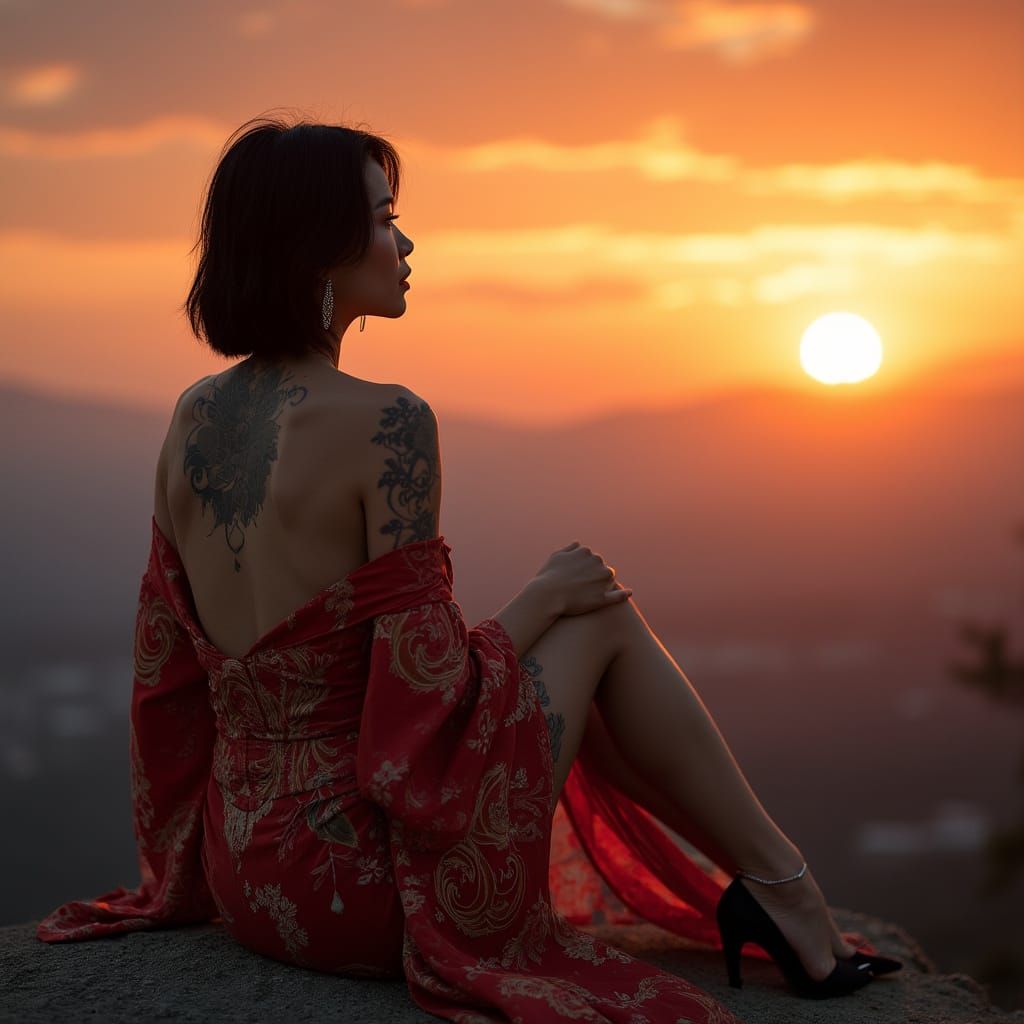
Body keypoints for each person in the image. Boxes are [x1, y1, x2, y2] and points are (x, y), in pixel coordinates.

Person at [36, 114, 901, 1021]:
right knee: (593, 614)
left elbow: (165, 686)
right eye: (383, 218)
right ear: (321, 248)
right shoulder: (389, 422)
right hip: (362, 888)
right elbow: (423, 705)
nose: (406, 242)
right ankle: (788, 893)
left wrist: (181, 867)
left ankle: (768, 889)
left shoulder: (190, 418)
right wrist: (540, 598)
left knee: (570, 635)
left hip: (244, 871)